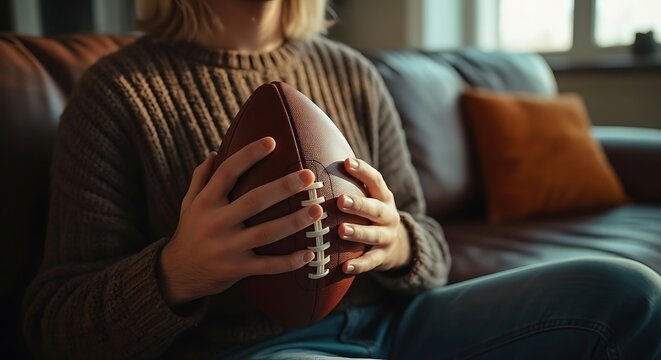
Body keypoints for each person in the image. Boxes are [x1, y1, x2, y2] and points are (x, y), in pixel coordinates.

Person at [23, 1, 661, 359]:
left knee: (626, 291)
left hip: (404, 325)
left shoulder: (352, 72)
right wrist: (181, 271)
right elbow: (55, 325)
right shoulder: (116, 94)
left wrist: (400, 243)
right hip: (262, 351)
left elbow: (431, 246)